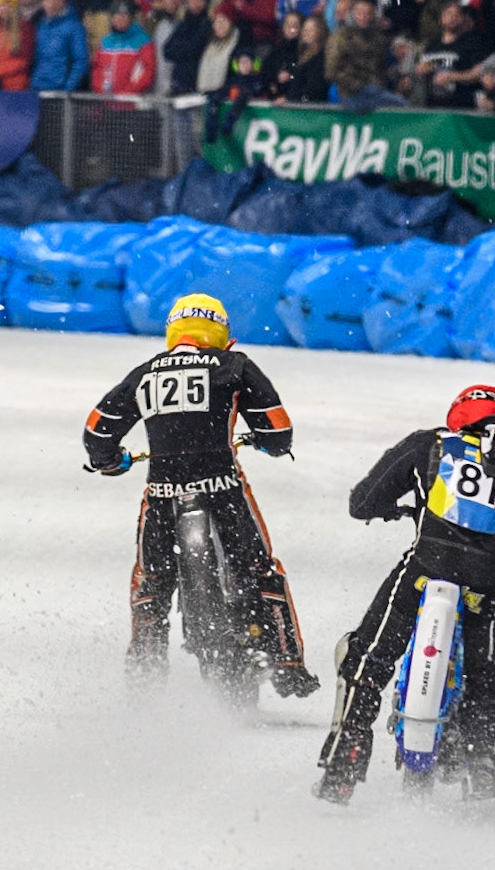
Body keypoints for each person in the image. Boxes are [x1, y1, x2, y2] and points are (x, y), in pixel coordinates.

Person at [315, 385, 495, 805]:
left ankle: (344, 764)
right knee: (488, 675)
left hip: (424, 573)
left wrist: (395, 509)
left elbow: (363, 501)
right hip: (484, 587)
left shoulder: (429, 444)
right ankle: (483, 761)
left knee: (367, 658)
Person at [82, 294, 319, 698]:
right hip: (223, 489)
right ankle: (288, 663)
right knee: (262, 569)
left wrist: (111, 462)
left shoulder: (145, 373)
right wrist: (266, 443)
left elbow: (98, 432)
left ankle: (145, 667)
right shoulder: (235, 365)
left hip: (161, 495)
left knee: (150, 581)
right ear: (222, 335)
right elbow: (279, 433)